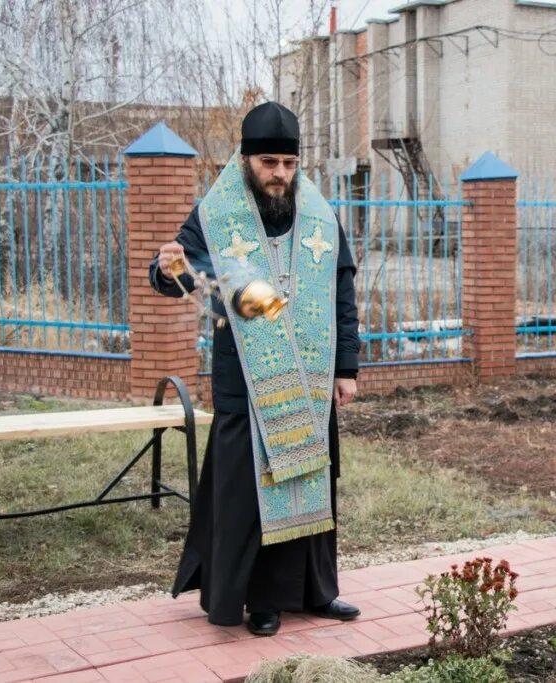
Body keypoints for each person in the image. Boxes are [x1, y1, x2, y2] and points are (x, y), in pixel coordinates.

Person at [148, 101, 361, 636]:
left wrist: (346, 367)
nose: (280, 175)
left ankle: (315, 592)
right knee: (252, 490)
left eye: (289, 164)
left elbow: (342, 293)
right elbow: (185, 276)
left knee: (311, 478)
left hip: (310, 378)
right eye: (269, 163)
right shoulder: (216, 215)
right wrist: (166, 267)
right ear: (246, 159)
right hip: (246, 378)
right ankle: (261, 600)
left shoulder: (318, 213)